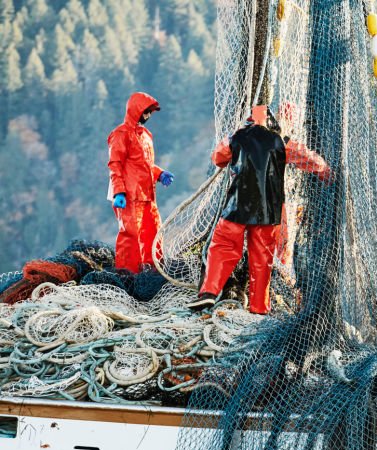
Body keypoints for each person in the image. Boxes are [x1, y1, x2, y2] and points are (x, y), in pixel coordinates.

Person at [188, 105, 330, 314]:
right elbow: (310, 159)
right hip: (267, 211)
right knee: (262, 260)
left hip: (236, 207)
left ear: (249, 120)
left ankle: (208, 294)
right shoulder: (280, 141)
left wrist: (234, 138)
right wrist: (325, 172)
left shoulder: (237, 138)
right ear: (271, 122)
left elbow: (218, 158)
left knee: (222, 249)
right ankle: (259, 308)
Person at [107, 91, 173, 273]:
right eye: (146, 111)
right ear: (136, 110)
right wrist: (118, 192)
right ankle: (128, 274)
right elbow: (115, 165)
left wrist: (159, 173)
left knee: (154, 231)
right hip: (129, 195)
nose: (149, 115)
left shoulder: (146, 135)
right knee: (131, 236)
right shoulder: (120, 134)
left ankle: (155, 270)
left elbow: (144, 164)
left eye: (150, 112)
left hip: (148, 194)